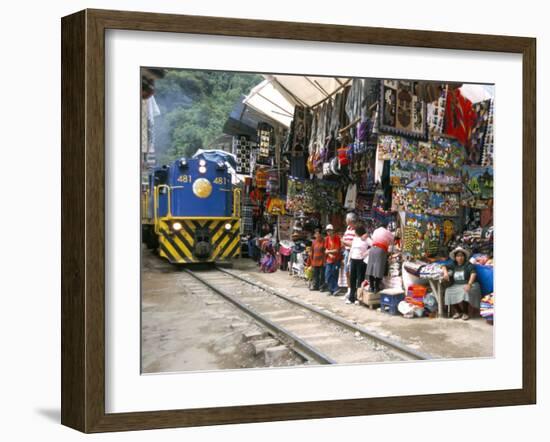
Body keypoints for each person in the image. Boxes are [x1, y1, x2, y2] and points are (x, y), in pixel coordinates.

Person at [442, 246, 481, 320]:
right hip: (457, 285)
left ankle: (465, 313)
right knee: (448, 291)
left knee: (464, 292)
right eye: (458, 256)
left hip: (471, 284)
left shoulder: (468, 265)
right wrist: (445, 273)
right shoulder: (454, 264)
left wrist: (469, 284)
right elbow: (443, 266)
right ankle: (459, 311)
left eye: (461, 256)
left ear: (464, 257)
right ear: (455, 257)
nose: (460, 258)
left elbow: (473, 274)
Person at [365, 224, 394, 293]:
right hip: (381, 250)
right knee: (379, 269)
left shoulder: (376, 230)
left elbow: (373, 239)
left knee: (371, 268)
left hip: (372, 249)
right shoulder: (387, 232)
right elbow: (392, 240)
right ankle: (376, 287)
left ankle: (371, 287)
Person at [346, 224, 370, 305]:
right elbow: (352, 250)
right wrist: (348, 262)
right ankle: (351, 297)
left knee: (360, 279)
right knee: (352, 279)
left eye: (355, 232)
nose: (354, 233)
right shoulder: (355, 239)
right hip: (353, 260)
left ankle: (358, 298)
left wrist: (365, 254)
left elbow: (374, 245)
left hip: (361, 261)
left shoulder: (366, 239)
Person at [324, 224, 342, 296]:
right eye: (327, 231)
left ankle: (332, 290)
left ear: (332, 230)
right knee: (327, 275)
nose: (328, 232)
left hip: (336, 259)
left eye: (329, 230)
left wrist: (328, 252)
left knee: (334, 275)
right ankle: (335, 288)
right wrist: (328, 253)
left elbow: (337, 250)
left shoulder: (337, 238)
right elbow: (325, 249)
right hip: (329, 259)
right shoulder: (327, 239)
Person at [342, 212, 357, 297]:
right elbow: (345, 239)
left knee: (352, 272)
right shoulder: (348, 228)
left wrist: (344, 242)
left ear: (350, 220)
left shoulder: (356, 229)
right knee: (347, 271)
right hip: (346, 252)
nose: (345, 220)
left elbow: (354, 244)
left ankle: (352, 291)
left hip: (352, 253)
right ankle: (349, 290)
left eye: (346, 219)